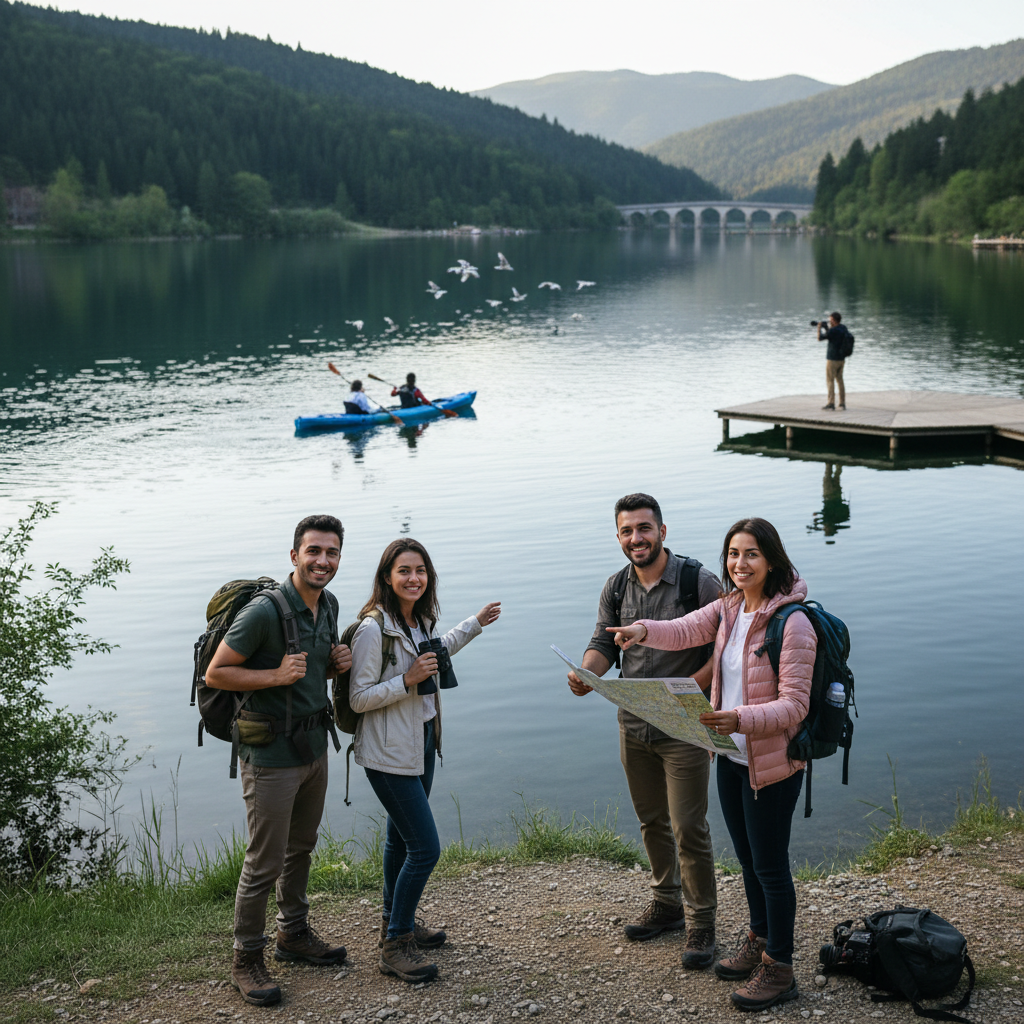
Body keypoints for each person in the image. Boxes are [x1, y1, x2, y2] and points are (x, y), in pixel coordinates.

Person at [609, 518, 815, 1012]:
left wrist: (738, 718)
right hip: (731, 757)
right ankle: (759, 939)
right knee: (747, 860)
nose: (739, 564)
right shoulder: (729, 607)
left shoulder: (793, 623)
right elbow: (683, 629)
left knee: (770, 867)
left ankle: (780, 968)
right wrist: (641, 630)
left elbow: (795, 706)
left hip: (772, 763)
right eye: (733, 554)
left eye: (751, 554)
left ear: (772, 561)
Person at [567, 493, 721, 970]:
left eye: (644, 528)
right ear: (618, 536)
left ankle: (702, 922)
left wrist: (691, 689)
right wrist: (587, 674)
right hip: (633, 723)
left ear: (662, 532)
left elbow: (728, 647)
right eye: (627, 531)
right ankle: (667, 904)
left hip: (686, 724)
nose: (636, 538)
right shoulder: (616, 587)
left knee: (688, 826)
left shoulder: (698, 582)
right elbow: (603, 642)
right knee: (652, 820)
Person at [206, 515, 354, 1007]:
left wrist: (333, 665)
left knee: (301, 848)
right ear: (294, 556)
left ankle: (293, 933)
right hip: (269, 755)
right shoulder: (263, 612)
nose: (323, 561)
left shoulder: (328, 604)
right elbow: (217, 673)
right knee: (263, 861)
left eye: (331, 553)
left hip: (314, 748)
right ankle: (246, 958)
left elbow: (308, 670)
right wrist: (274, 675)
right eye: (314, 551)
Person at [349, 539, 501, 983]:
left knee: (400, 840)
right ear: (387, 577)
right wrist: (406, 680)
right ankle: (395, 944)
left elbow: (439, 648)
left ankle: (394, 920)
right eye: (404, 571)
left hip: (421, 742)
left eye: (420, 570)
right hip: (388, 753)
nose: (413, 578)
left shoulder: (419, 620)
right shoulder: (373, 630)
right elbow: (358, 698)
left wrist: (474, 624)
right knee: (425, 848)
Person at [817, 311, 853, 410]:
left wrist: (819, 328)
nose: (829, 321)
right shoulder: (843, 328)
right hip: (841, 359)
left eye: (830, 320)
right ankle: (842, 403)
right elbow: (833, 335)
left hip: (832, 359)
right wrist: (827, 328)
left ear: (833, 320)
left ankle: (831, 403)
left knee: (830, 380)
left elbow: (820, 338)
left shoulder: (832, 331)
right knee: (840, 380)